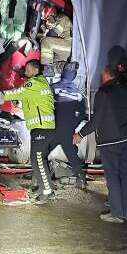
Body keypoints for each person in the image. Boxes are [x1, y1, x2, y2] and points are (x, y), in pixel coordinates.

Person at [74, 65, 127, 223]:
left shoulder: (104, 93)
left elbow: (96, 121)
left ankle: (116, 213)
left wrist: (80, 134)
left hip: (110, 142)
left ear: (107, 75)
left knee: (113, 177)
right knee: (126, 176)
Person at [2, 59, 56, 204]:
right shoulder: (41, 83)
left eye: (27, 68)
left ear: (34, 70)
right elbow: (29, 100)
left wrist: (0, 94)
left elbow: (17, 92)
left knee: (38, 160)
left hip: (41, 128)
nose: (25, 71)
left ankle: (47, 191)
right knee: (37, 160)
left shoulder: (33, 83)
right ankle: (43, 187)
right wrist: (18, 102)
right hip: (42, 127)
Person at [46, 61, 87, 189]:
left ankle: (42, 180)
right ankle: (81, 180)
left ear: (63, 73)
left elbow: (46, 106)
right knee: (72, 156)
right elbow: (81, 114)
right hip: (68, 130)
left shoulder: (54, 87)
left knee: (41, 154)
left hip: (53, 128)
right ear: (74, 75)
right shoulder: (78, 93)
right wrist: (72, 125)